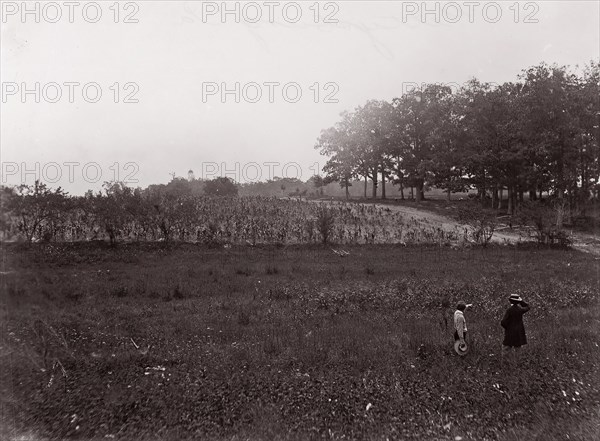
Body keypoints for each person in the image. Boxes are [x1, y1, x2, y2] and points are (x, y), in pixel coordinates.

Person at [501, 294, 530, 358]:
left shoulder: (509, 310)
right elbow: (528, 307)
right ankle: (517, 364)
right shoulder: (520, 310)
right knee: (518, 349)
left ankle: (506, 364)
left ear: (510, 301)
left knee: (506, 348)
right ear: (518, 302)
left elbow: (503, 322)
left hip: (510, 332)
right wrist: (521, 301)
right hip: (518, 332)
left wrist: (507, 328)